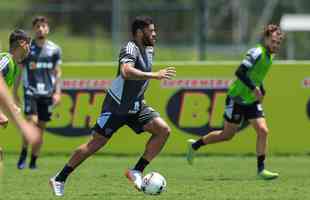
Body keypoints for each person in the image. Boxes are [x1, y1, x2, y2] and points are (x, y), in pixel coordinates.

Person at [49, 16, 176, 196]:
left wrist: (141, 97)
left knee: (163, 130)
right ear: (140, 32)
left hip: (136, 106)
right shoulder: (130, 47)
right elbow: (126, 71)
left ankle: (137, 170)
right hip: (116, 106)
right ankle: (59, 178)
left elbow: (139, 81)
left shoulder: (149, 49)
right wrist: (155, 75)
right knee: (95, 144)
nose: (155, 34)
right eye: (151, 30)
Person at [186, 24, 284, 180]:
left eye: (278, 43)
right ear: (266, 39)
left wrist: (261, 89)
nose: (276, 45)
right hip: (237, 98)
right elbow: (240, 72)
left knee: (263, 131)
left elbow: (257, 76)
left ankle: (261, 170)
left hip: (251, 101)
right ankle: (194, 145)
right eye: (273, 41)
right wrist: (254, 88)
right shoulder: (256, 52)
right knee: (226, 135)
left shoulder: (271, 56)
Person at [14, 16, 62, 169]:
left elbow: (57, 72)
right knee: (31, 122)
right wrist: (15, 91)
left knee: (40, 128)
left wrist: (58, 92)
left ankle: (33, 161)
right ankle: (23, 152)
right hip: (31, 92)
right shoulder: (27, 49)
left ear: (47, 29)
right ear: (34, 29)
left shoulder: (55, 49)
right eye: (37, 26)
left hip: (47, 94)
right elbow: (20, 72)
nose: (40, 29)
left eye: (43, 26)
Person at [0, 29, 40, 160]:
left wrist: (10, 106)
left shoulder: (14, 65)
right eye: (29, 44)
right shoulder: (6, 60)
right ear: (22, 43)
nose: (30, 48)